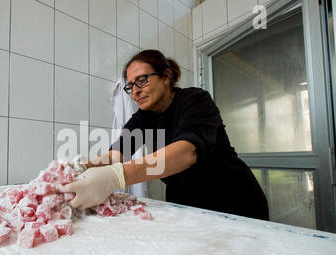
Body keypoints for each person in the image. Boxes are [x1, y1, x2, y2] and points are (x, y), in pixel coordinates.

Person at [59, 50, 269, 221]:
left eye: (141, 81)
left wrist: (116, 177)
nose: (135, 92)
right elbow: (116, 155)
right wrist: (80, 168)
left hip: (234, 202)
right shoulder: (143, 118)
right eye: (130, 86)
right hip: (187, 207)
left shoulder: (195, 100)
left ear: (166, 77)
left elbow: (186, 152)